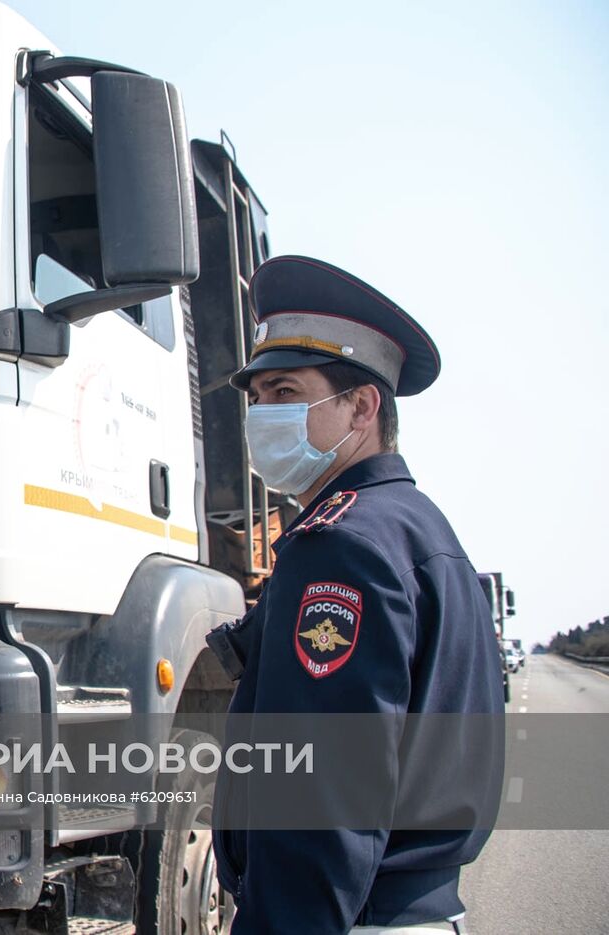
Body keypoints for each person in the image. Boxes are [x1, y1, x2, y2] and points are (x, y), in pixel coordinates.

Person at [206, 256, 503, 933]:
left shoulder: (340, 546)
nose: (261, 414)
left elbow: (319, 799)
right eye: (256, 396)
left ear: (362, 407)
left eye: (285, 391)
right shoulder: (418, 527)